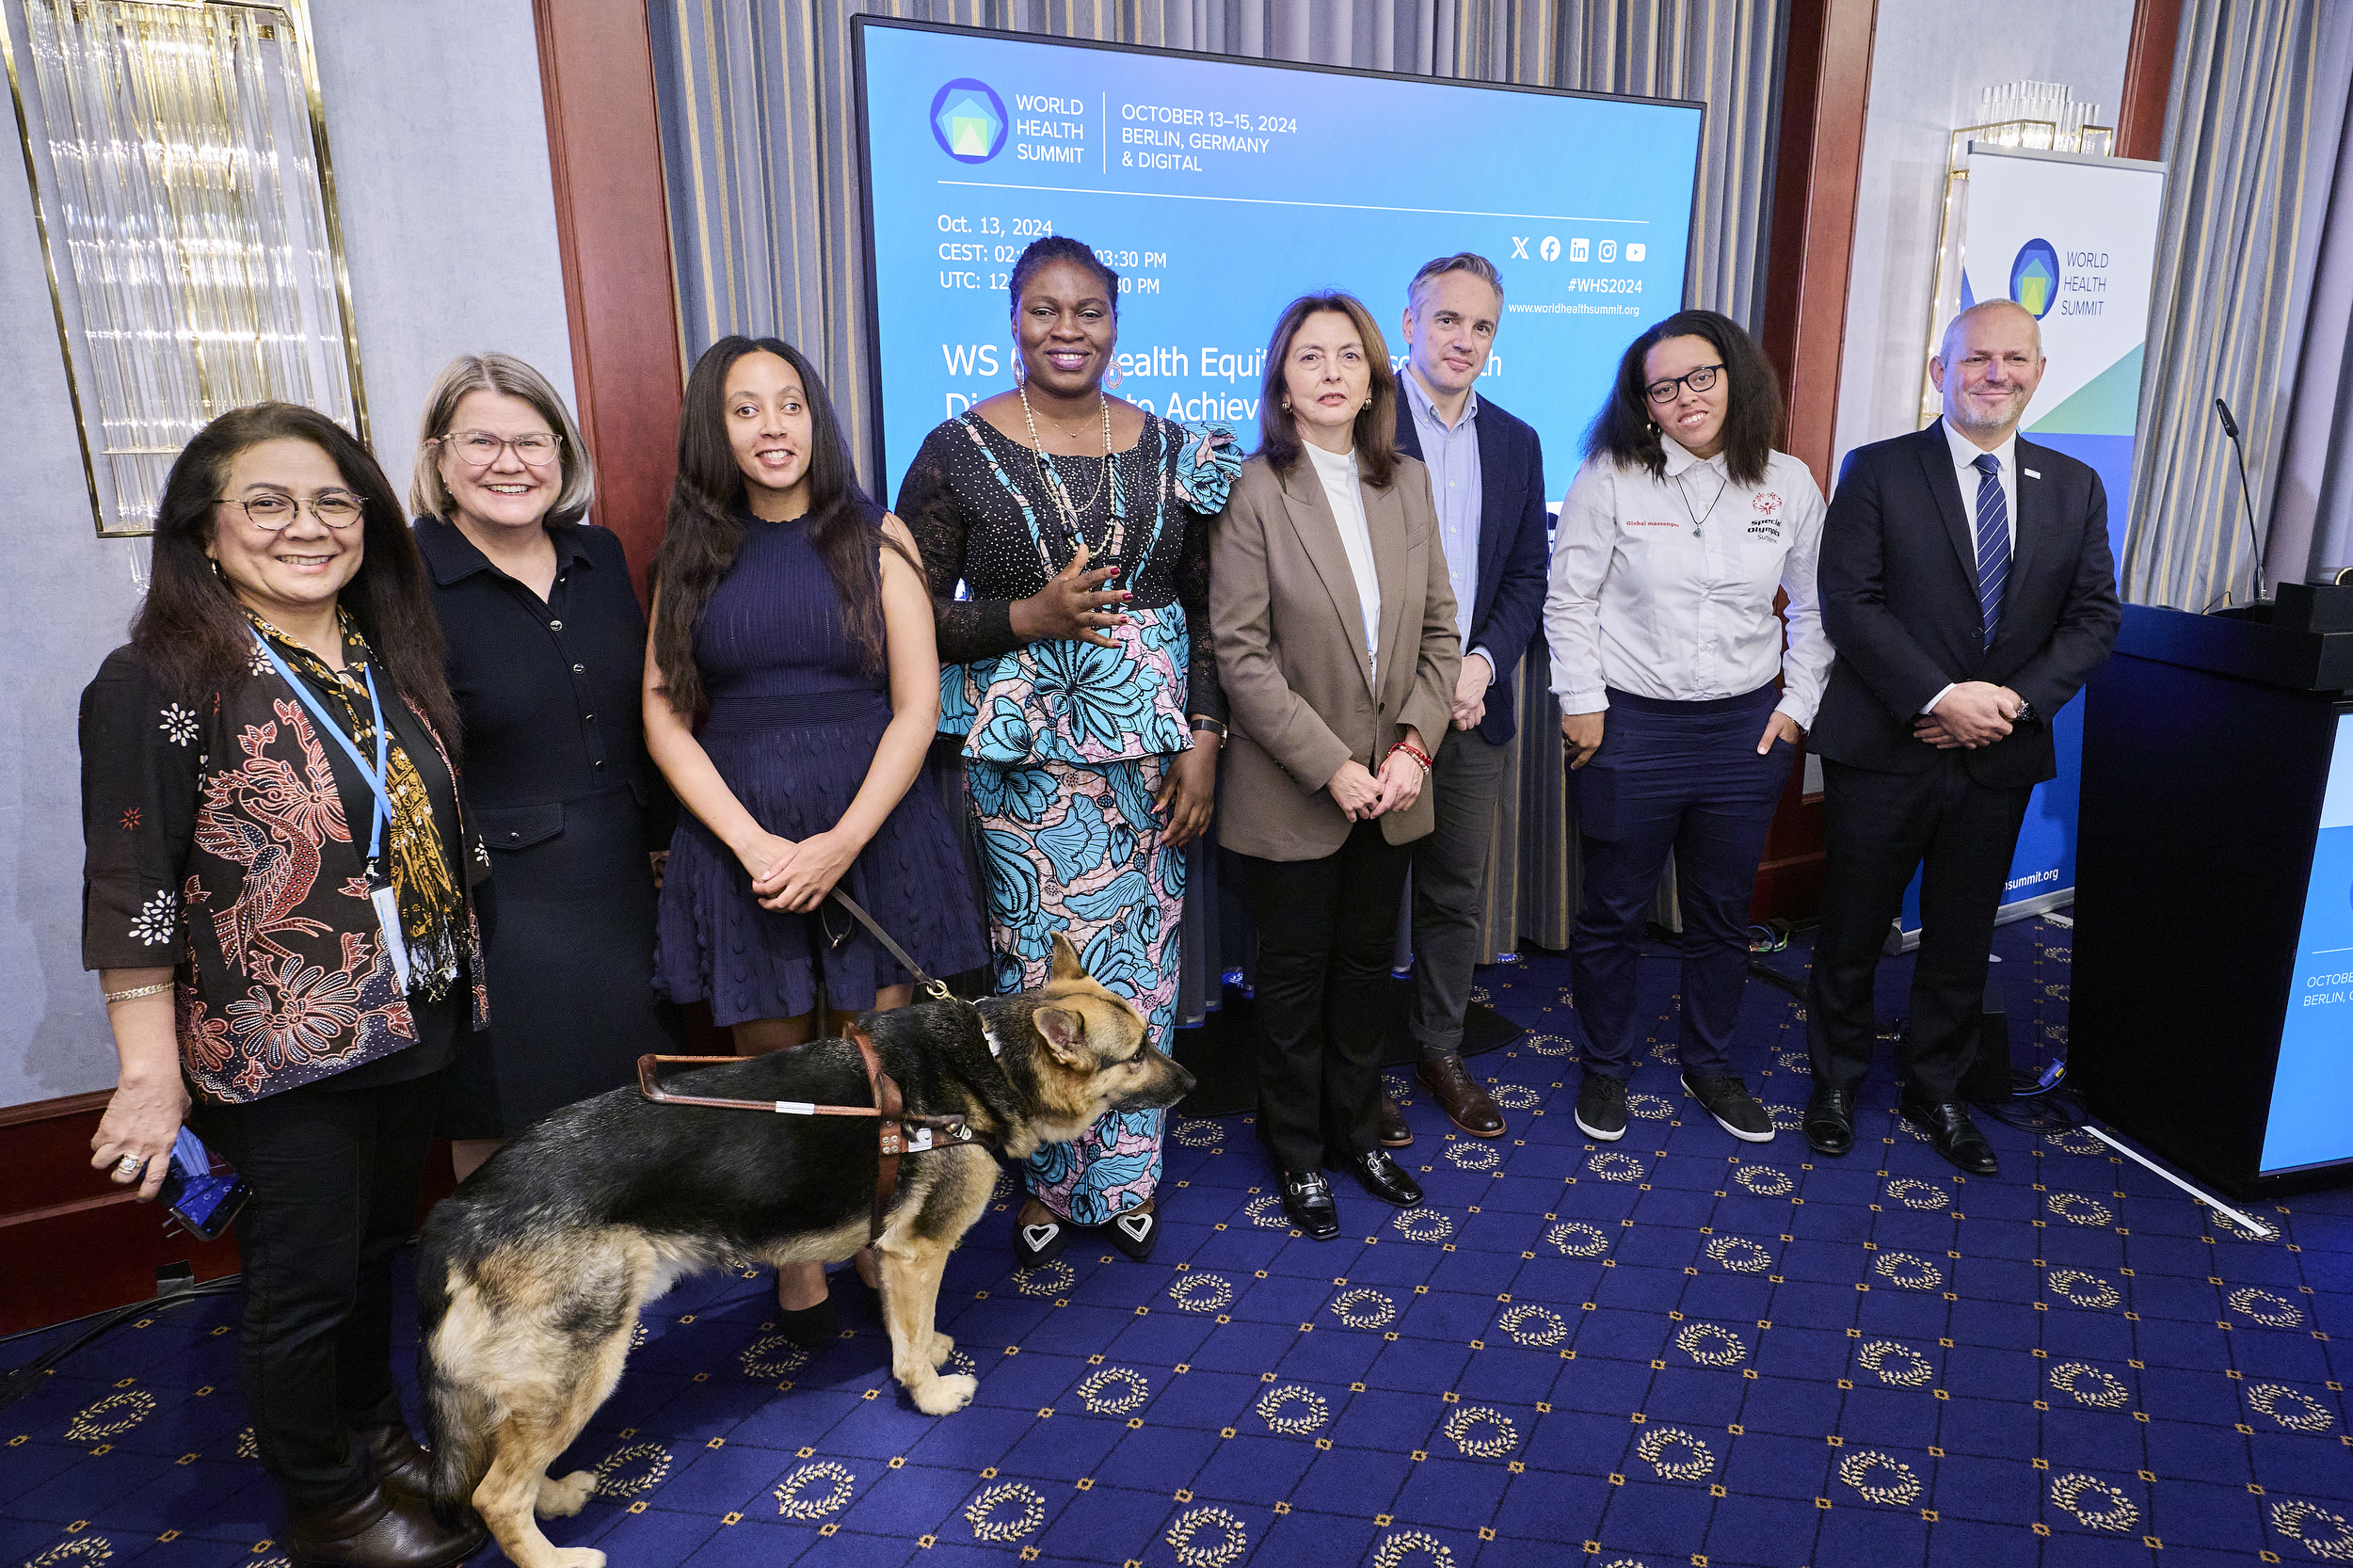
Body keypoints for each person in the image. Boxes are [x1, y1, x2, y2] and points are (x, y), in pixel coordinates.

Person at [80, 403, 489, 1568]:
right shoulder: (156, 677)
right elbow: (133, 888)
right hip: (279, 1040)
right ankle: (325, 1500)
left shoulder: (379, 652)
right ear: (206, 532)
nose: (306, 527)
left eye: (332, 501)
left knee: (373, 1254)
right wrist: (150, 1074)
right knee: (302, 1281)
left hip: (412, 1012)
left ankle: (375, 1437)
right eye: (267, 502)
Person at [897, 235, 1236, 1268]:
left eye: (1088, 310)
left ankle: (1130, 1178)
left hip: (1153, 763)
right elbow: (904, 618)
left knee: (1141, 966)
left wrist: (1206, 738)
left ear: (1115, 323)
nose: (1067, 330)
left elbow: (1210, 611)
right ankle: (1047, 1179)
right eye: (1045, 310)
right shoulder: (954, 450)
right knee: (1041, 979)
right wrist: (1026, 615)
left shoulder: (1178, 449)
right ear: (1012, 321)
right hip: (1027, 773)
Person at [645, 335, 984, 1333]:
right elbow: (664, 716)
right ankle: (794, 1259)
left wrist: (840, 842)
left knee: (873, 1068)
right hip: (741, 833)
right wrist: (753, 845)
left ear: (815, 416)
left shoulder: (878, 538)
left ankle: (875, 1238)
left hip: (872, 826)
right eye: (744, 409)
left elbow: (917, 707)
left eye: (787, 403)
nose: (771, 426)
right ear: (716, 428)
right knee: (775, 1073)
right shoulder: (689, 556)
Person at [1804, 299, 2120, 1175]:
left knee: (1962, 932)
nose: (1996, 374)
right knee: (1853, 926)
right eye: (1978, 358)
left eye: (2015, 359)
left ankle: (1935, 1087)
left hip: (2000, 754)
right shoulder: (1878, 471)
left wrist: (2006, 705)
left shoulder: (2074, 485)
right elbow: (1850, 604)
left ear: (2038, 373)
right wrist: (1942, 697)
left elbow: (2094, 618)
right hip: (1887, 747)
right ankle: (1834, 1080)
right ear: (1942, 372)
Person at [1544, 310, 1831, 1147]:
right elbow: (1570, 601)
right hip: (1630, 728)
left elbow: (1816, 608)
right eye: (1662, 387)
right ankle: (1605, 1066)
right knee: (1614, 910)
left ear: (1735, 375)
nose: (1684, 397)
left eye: (1699, 376)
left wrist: (1796, 706)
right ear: (1644, 403)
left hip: (1745, 732)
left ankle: (1710, 1064)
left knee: (1719, 912)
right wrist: (1581, 703)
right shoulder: (1611, 475)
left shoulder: (1790, 481)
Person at [1212, 291, 1461, 1240]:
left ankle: (1359, 1133)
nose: (1328, 372)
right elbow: (1240, 655)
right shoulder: (1253, 489)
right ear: (1282, 378)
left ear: (1372, 377)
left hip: (1395, 784)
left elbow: (1441, 631)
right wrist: (1331, 765)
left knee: (1365, 975)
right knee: (1291, 985)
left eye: (1346, 357)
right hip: (1295, 792)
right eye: (1308, 357)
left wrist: (1410, 748)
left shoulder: (1406, 482)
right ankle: (1298, 1154)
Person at [409, 352, 681, 1182]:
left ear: (562, 455)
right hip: (494, 894)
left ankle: (608, 1305)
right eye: (481, 440)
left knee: (628, 1104)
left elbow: (648, 714)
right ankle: (497, 1307)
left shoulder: (599, 558)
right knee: (505, 1119)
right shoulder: (403, 578)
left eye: (532, 441)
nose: (509, 463)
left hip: (619, 875)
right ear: (438, 458)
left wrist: (667, 840)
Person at [1385, 252, 1551, 1147]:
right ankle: (1359, 1067)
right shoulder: (1357, 420)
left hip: (1477, 708)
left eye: (1481, 326)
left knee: (1455, 893)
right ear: (1408, 323)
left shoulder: (1518, 442)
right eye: (1447, 320)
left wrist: (1483, 664)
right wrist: (1420, 685)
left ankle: (1440, 1049)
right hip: (1373, 713)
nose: (1464, 339)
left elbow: (1528, 574)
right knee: (1365, 900)